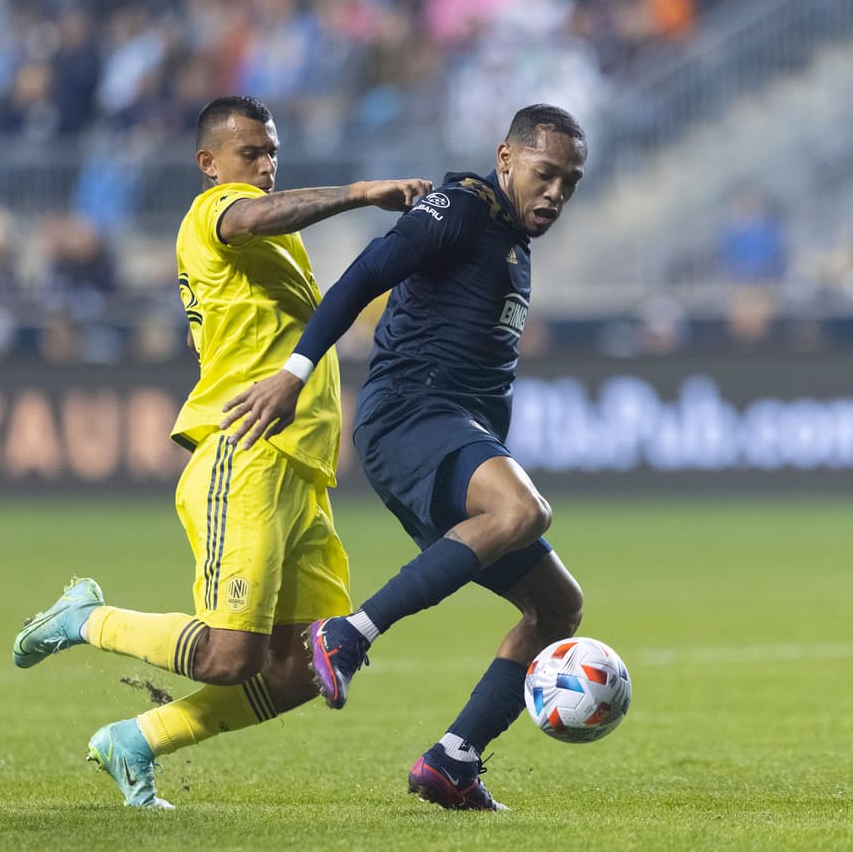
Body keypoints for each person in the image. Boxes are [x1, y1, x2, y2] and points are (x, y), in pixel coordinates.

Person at [11, 95, 430, 809]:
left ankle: (136, 740)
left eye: (271, 153)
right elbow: (251, 215)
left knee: (300, 668)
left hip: (300, 475)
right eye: (249, 154)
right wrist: (359, 194)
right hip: (247, 457)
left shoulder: (264, 252)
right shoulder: (215, 214)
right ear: (208, 164)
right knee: (228, 658)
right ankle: (85, 617)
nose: (264, 167)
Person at [221, 104, 588, 811]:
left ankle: (453, 762)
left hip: (447, 432)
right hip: (410, 415)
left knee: (557, 609)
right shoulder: (463, 205)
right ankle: (349, 635)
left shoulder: (511, 238)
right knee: (525, 509)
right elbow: (365, 274)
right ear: (506, 156)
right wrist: (294, 374)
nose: (556, 194)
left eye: (570, 183)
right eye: (545, 174)